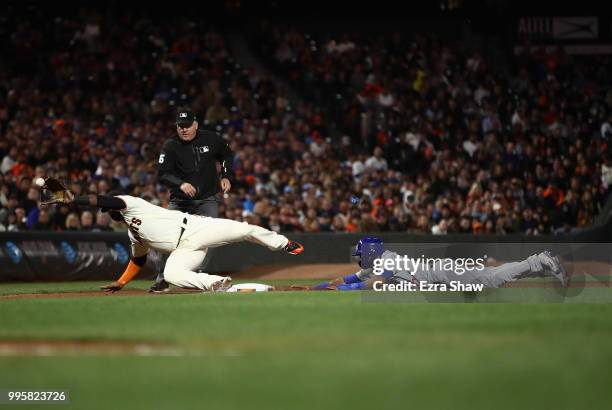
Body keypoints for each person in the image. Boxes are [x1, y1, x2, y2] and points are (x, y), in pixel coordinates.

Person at [46, 187, 304, 292]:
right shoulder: (132, 232)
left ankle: (283, 243)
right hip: (184, 249)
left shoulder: (131, 204)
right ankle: (217, 283)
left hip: (195, 228)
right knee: (171, 275)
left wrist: (74, 199)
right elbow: (138, 259)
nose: (108, 212)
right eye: (107, 212)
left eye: (108, 209)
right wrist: (121, 282)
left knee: (244, 230)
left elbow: (103, 200)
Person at [150, 108, 235, 293]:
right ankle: (162, 278)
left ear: (196, 124)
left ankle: (201, 276)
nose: (184, 129)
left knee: (209, 238)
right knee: (167, 239)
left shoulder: (212, 139)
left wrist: (227, 175)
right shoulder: (170, 145)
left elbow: (227, 155)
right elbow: (163, 173)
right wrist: (180, 184)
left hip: (207, 199)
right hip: (180, 201)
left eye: (188, 125)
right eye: (180, 126)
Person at [312, 237, 568, 290]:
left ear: (369, 252)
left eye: (360, 253)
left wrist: (346, 290)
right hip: (441, 278)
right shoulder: (376, 262)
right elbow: (350, 278)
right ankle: (542, 264)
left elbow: (378, 281)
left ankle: (539, 260)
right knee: (494, 279)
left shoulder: (386, 260)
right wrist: (320, 288)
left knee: (493, 278)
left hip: (443, 274)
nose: (358, 257)